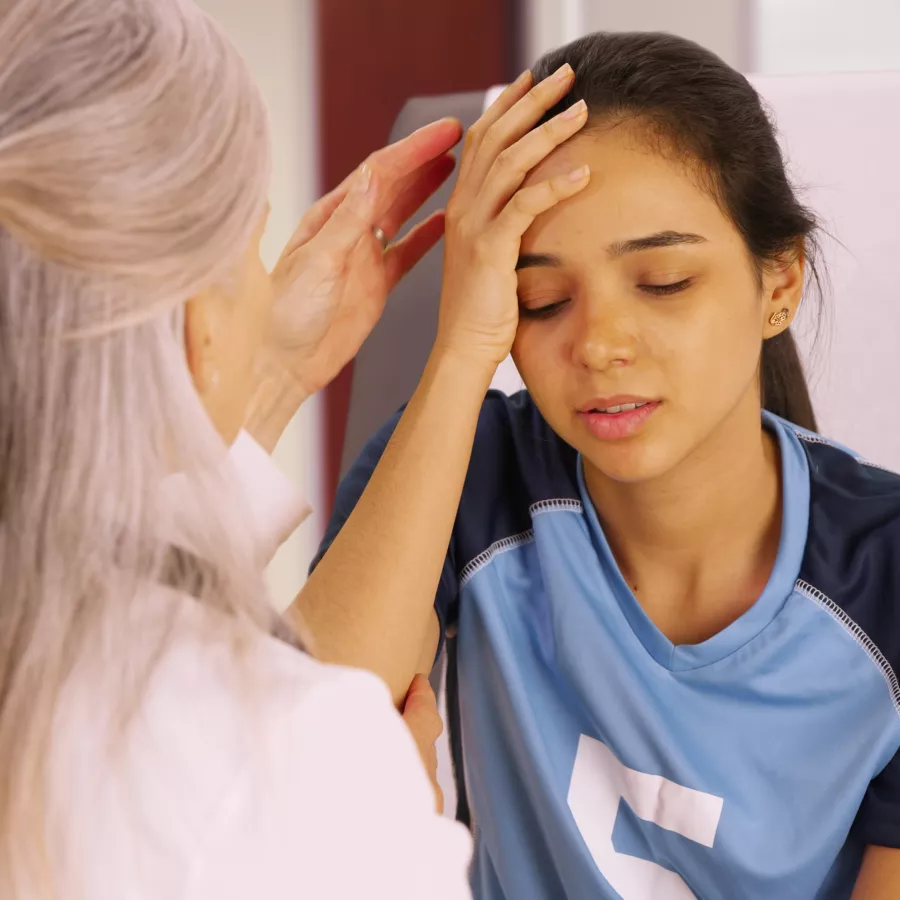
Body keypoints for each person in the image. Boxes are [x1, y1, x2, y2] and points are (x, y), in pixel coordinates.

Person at [296, 31, 900, 899]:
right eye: (541, 299)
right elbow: (299, 753)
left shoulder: (884, 572)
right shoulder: (465, 474)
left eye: (663, 282)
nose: (599, 345)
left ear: (778, 284)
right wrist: (462, 346)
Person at [0, 0, 484, 896]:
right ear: (199, 324)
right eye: (252, 250)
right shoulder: (293, 760)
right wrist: (393, 821)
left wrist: (268, 376)